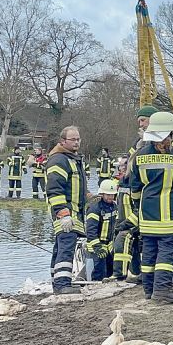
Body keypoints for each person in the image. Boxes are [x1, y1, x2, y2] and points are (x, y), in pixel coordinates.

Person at [128, 112, 173, 303]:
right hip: (169, 215)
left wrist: (136, 208)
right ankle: (162, 291)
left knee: (149, 253)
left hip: (147, 215)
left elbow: (135, 188)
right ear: (171, 134)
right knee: (166, 254)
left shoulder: (139, 155)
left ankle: (149, 290)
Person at [113, 105, 159, 283]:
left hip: (147, 195)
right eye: (139, 121)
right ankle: (135, 271)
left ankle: (142, 274)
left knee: (135, 232)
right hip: (131, 192)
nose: (140, 124)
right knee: (129, 230)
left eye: (143, 120)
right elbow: (131, 164)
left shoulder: (161, 141)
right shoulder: (138, 142)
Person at [45, 126, 88, 295]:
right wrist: (63, 213)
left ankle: (58, 282)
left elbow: (75, 186)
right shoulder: (59, 160)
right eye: (73, 139)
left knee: (61, 246)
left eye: (78, 139)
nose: (77, 142)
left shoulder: (71, 159)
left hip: (74, 212)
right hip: (65, 213)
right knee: (66, 246)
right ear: (63, 141)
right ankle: (63, 284)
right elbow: (55, 189)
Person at [86, 178, 119, 282]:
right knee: (99, 271)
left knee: (110, 269)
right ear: (102, 194)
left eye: (112, 195)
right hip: (96, 245)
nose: (111, 197)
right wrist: (98, 246)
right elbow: (91, 231)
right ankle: (96, 287)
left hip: (108, 244)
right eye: (108, 195)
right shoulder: (95, 209)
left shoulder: (114, 206)